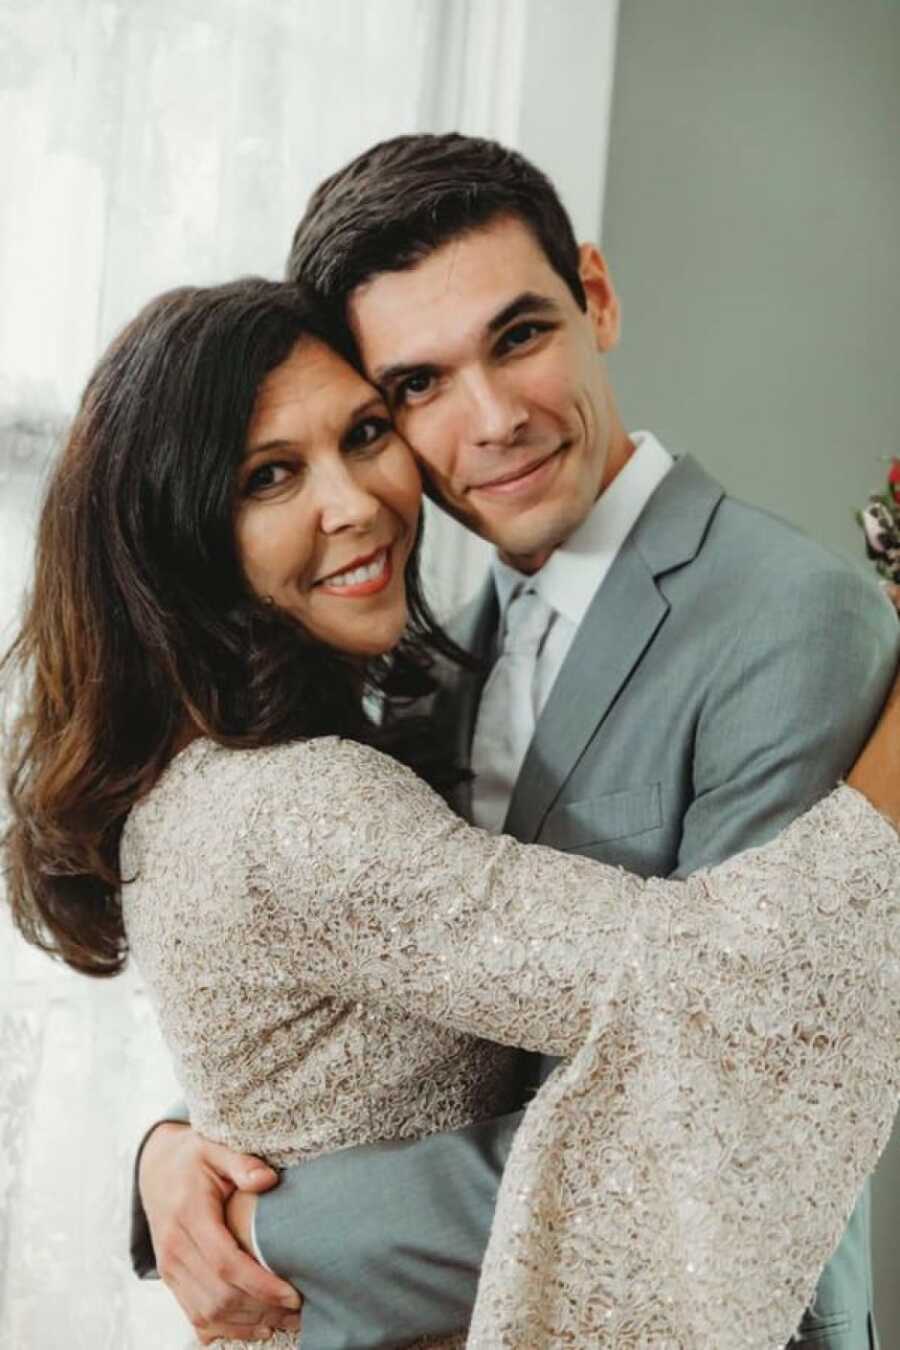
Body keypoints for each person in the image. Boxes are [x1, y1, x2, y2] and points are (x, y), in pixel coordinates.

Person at [3, 279, 900, 1350]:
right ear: (178, 529)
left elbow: (311, 1052)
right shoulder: (293, 805)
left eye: (366, 433)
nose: (355, 502)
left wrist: (179, 1153)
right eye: (270, 476)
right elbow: (716, 984)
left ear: (599, 304)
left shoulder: (291, 741)